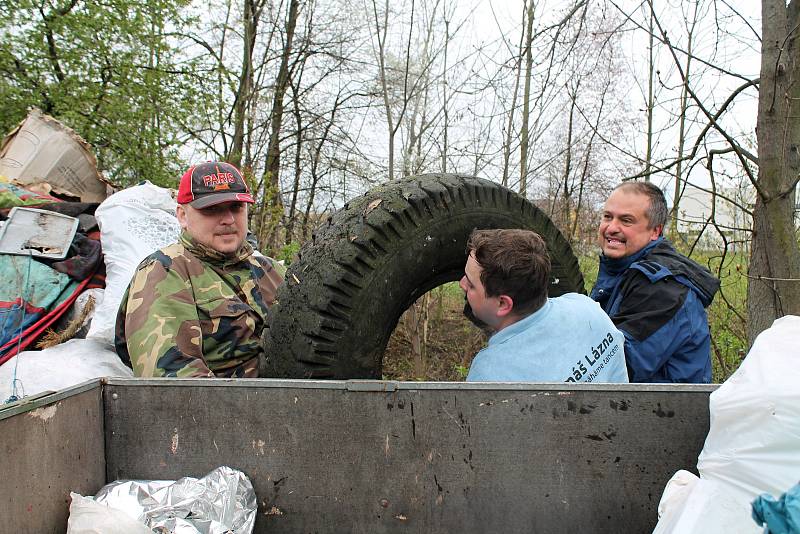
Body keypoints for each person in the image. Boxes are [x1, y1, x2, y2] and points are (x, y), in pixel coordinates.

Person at [115, 161, 283, 378]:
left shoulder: (272, 271)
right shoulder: (165, 270)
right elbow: (172, 377)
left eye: (236, 207)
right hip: (227, 406)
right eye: (212, 209)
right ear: (183, 216)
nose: (228, 220)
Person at [591, 181, 720, 383]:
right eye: (608, 217)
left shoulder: (664, 288)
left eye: (626, 221)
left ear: (655, 232)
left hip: (663, 411)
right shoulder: (621, 272)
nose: (611, 228)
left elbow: (614, 366)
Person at [461, 229, 628, 383]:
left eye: (471, 283)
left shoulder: (489, 373)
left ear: (503, 304)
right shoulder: (588, 309)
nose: (462, 284)